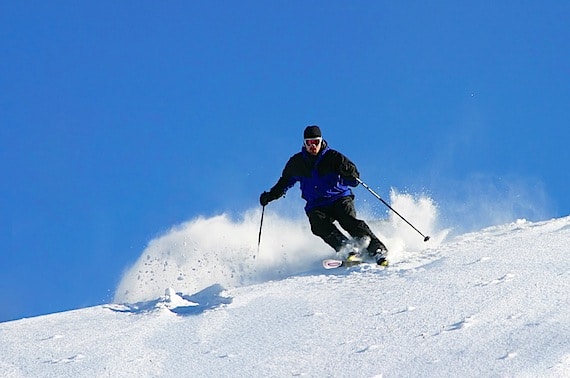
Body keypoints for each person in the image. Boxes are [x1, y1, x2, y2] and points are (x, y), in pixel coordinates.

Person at [259, 125, 388, 265]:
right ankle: (346, 247)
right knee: (317, 224)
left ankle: (376, 248)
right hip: (317, 204)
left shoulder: (333, 157)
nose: (313, 146)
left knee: (346, 219)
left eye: (316, 142)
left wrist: (349, 172)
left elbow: (354, 180)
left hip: (339, 197)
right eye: (309, 143)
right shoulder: (297, 163)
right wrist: (270, 196)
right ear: (304, 143)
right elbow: (284, 183)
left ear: (321, 141)